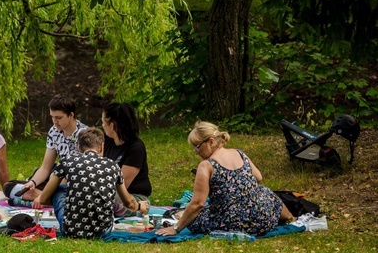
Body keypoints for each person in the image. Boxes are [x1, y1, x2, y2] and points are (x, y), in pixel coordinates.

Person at [156, 121, 295, 237]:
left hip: (230, 223)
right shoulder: (239, 153)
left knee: (193, 216)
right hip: (262, 221)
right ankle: (291, 219)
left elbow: (197, 204)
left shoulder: (206, 165)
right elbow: (258, 177)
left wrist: (176, 229)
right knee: (265, 192)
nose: (195, 152)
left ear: (210, 141)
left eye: (197, 147)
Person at [32, 128, 149, 238]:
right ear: (101, 147)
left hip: (71, 229)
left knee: (60, 189)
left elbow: (43, 198)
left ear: (79, 148)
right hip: (104, 230)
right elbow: (128, 202)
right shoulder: (113, 166)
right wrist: (139, 206)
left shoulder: (67, 161)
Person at [16, 94, 88, 201]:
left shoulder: (84, 134)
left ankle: (47, 197)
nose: (54, 121)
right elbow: (46, 167)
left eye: (59, 117)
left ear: (71, 115)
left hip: (77, 180)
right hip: (57, 177)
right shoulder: (54, 131)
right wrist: (33, 182)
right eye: (52, 117)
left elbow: (81, 171)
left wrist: (47, 192)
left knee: (61, 185)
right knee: (11, 188)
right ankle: (47, 196)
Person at [101, 102, 151, 217]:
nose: (102, 125)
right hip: (106, 190)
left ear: (112, 125)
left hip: (129, 195)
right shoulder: (106, 140)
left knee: (104, 203)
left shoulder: (136, 148)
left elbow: (121, 185)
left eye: (104, 122)